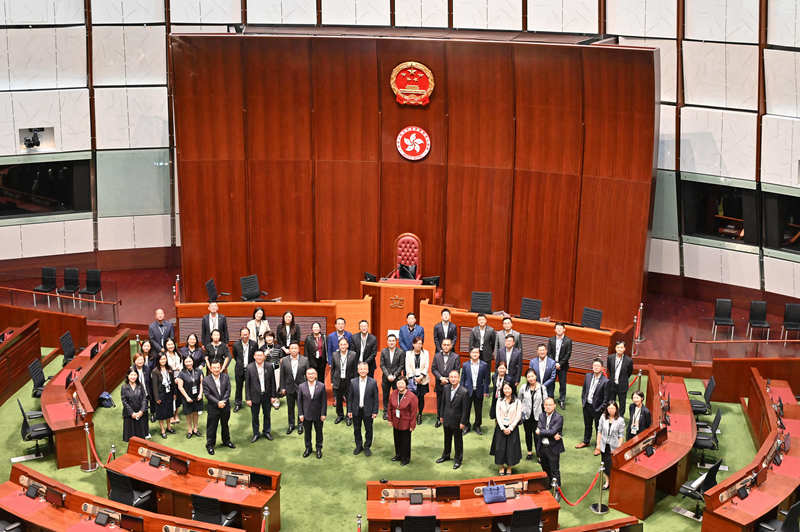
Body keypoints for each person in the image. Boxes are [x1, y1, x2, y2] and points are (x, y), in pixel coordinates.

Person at [437, 369, 469, 469]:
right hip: (446, 418)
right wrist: (441, 416)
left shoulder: (464, 391)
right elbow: (443, 403)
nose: (453, 379)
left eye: (455, 377)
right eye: (451, 377)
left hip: (457, 421)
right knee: (447, 438)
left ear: (459, 378)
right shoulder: (446, 388)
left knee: (458, 441)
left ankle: (458, 460)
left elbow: (466, 409)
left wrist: (463, 422)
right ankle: (446, 455)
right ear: (449, 378)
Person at [576, 358, 609, 453]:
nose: (596, 367)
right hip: (587, 405)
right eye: (594, 365)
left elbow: (606, 399)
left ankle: (599, 446)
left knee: (599, 428)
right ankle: (586, 441)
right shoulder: (588, 376)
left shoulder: (606, 381)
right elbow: (584, 390)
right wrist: (584, 401)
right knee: (587, 425)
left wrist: (600, 409)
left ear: (602, 368)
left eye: (598, 366)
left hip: (598, 408)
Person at [202, 359, 234, 455]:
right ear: (211, 369)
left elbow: (228, 390)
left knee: (225, 424)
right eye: (214, 368)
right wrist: (218, 402)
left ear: (220, 368)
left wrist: (223, 401)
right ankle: (210, 445)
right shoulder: (206, 380)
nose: (216, 369)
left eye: (218, 367)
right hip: (213, 407)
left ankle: (226, 441)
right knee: (212, 427)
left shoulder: (225, 377)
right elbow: (207, 394)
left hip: (225, 406)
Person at [491, 382, 523, 475]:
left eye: (508, 388)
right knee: (499, 448)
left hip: (512, 428)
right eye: (505, 389)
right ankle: (501, 467)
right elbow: (497, 415)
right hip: (501, 428)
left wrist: (511, 427)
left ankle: (509, 467)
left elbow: (518, 416)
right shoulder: (499, 400)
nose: (506, 390)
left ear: (512, 389)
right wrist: (502, 427)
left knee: (511, 449)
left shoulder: (517, 401)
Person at [347, 362, 379, 456]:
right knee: (357, 429)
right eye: (361, 369)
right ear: (358, 370)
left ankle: (367, 447)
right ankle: (358, 446)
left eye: (365, 369)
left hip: (368, 410)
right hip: (356, 410)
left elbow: (376, 398)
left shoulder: (373, 382)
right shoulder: (353, 382)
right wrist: (349, 410)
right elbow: (350, 398)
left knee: (369, 429)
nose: (363, 371)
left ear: (368, 370)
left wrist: (375, 411)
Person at [246, 350, 276, 442]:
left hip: (267, 395)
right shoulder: (249, 367)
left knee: (267, 415)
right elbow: (247, 384)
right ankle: (256, 433)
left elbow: (273, 382)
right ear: (254, 357)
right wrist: (248, 398)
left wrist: (273, 396)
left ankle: (266, 431)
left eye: (261, 355)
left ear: (264, 357)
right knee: (255, 416)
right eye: (257, 355)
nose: (259, 357)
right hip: (254, 396)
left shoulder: (269, 366)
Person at [279, 341, 308, 434]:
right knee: (290, 407)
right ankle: (291, 425)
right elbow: (282, 375)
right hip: (289, 387)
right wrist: (282, 387)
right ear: (289, 350)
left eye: (295, 348)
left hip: (301, 388)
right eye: (292, 348)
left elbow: (308, 375)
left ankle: (300, 425)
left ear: (299, 349)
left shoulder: (305, 360)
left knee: (301, 407)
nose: (294, 350)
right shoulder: (284, 360)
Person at [388, 376, 418, 465]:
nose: (400, 385)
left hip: (406, 423)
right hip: (396, 421)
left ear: (406, 384)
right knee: (397, 439)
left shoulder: (412, 396)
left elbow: (413, 412)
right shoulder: (394, 393)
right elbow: (390, 407)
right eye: (398, 383)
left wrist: (412, 425)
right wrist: (390, 419)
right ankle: (398, 455)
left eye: (402, 383)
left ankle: (405, 459)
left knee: (405, 442)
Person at [432, 338, 460, 428]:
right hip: (439, 383)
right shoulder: (436, 356)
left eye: (448, 345)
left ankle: (449, 419)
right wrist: (441, 378)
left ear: (451, 346)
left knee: (450, 402)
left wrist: (448, 379)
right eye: (444, 345)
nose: (446, 346)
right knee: (440, 401)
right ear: (441, 346)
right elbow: (434, 369)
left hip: (451, 384)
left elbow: (457, 370)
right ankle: (439, 418)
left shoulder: (456, 356)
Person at [298, 367, 326, 459]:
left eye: (312, 374)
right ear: (306, 375)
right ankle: (308, 448)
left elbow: (324, 401)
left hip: (318, 415)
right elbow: (299, 402)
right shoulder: (301, 386)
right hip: (306, 415)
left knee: (319, 432)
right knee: (307, 433)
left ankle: (318, 448)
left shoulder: (321, 386)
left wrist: (323, 413)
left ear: (316, 375)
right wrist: (300, 414)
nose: (311, 375)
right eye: (309, 374)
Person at [597, 401, 626, 489]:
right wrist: (598, 444)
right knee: (605, 464)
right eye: (609, 408)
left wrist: (618, 447)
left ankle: (614, 481)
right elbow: (599, 431)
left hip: (614, 447)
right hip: (604, 446)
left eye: (613, 408)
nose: (611, 410)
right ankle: (607, 482)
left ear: (616, 409)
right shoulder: (603, 417)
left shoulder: (620, 420)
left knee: (612, 465)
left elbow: (621, 436)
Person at [536, 397, 564, 488]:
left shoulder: (559, 417)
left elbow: (552, 431)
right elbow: (549, 431)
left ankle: (557, 490)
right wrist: (550, 433)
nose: (548, 407)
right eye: (546, 405)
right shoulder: (541, 416)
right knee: (545, 467)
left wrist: (541, 432)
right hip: (542, 447)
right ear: (544, 406)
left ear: (554, 406)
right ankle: (549, 484)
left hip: (553, 448)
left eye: (550, 405)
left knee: (554, 470)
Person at [461, 347, 489, 435]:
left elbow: (487, 379)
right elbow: (462, 379)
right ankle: (466, 426)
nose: (475, 354)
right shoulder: (465, 365)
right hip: (467, 391)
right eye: (473, 352)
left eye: (476, 352)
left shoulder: (484, 365)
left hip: (479, 390)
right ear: (470, 354)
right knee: (466, 409)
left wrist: (486, 391)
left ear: (479, 354)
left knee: (478, 410)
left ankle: (477, 425)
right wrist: (461, 390)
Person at [519, 369, 546, 461]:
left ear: (536, 376)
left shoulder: (542, 388)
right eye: (528, 377)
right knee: (528, 434)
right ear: (526, 378)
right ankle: (529, 452)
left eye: (532, 376)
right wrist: (522, 410)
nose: (531, 378)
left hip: (538, 416)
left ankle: (539, 455)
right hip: (526, 416)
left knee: (537, 436)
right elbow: (519, 399)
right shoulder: (523, 387)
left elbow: (546, 402)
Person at [332, 337, 357, 425]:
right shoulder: (334, 354)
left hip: (349, 381)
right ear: (339, 346)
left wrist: (355, 381)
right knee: (338, 399)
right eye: (341, 344)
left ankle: (349, 416)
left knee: (350, 399)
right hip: (338, 380)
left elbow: (355, 369)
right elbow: (333, 369)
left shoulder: (353, 354)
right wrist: (332, 381)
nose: (343, 346)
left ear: (347, 345)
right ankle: (340, 415)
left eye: (344, 344)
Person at [176, 355, 203, 439]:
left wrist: (200, 394)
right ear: (184, 363)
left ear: (193, 361)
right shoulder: (182, 373)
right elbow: (180, 387)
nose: (188, 363)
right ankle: (190, 430)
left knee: (196, 413)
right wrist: (187, 397)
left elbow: (201, 383)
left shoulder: (198, 371)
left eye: (190, 361)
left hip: (197, 396)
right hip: (187, 396)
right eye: (186, 362)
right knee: (188, 414)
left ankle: (195, 429)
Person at [405, 336, 429, 424]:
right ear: (413, 344)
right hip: (412, 379)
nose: (419, 345)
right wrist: (414, 378)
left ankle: (420, 414)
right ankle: (412, 414)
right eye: (417, 343)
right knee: (411, 398)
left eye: (420, 343)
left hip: (423, 379)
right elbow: (407, 367)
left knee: (421, 398)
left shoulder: (425, 353)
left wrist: (421, 377)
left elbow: (426, 366)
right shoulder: (408, 353)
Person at [380, 334, 405, 419]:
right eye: (390, 341)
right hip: (386, 378)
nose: (391, 342)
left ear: (396, 342)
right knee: (385, 395)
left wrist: (394, 375)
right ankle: (386, 412)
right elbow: (382, 365)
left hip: (396, 378)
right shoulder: (383, 351)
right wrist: (388, 375)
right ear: (387, 342)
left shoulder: (401, 352)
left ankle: (396, 411)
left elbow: (401, 365)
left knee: (397, 395)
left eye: (393, 341)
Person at [233, 327, 258, 412]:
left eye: (246, 334)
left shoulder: (254, 344)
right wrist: (241, 363)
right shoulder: (236, 344)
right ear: (240, 335)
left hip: (250, 369)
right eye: (243, 334)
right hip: (239, 369)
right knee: (238, 387)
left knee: (251, 387)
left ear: (249, 334)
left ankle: (252, 402)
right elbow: (235, 356)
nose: (245, 336)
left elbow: (255, 356)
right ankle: (238, 403)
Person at [548, 323, 572, 409]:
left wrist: (560, 364)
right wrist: (554, 363)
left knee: (562, 384)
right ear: (555, 330)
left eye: (560, 328)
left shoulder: (568, 341)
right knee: (551, 382)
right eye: (557, 328)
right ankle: (550, 398)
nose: (559, 330)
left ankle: (562, 400)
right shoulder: (551, 340)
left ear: (564, 329)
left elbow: (568, 354)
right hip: (552, 365)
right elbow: (549, 353)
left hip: (563, 366)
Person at [151, 353, 175, 439]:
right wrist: (157, 398)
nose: (163, 361)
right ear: (158, 360)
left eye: (164, 359)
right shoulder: (155, 371)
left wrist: (174, 393)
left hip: (169, 393)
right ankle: (162, 430)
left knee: (169, 411)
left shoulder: (169, 368)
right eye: (161, 359)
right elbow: (154, 386)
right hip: (160, 394)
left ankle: (169, 427)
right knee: (161, 413)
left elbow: (172, 382)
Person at [607, 341, 634, 417]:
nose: (619, 349)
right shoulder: (610, 358)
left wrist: (623, 379)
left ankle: (620, 416)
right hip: (612, 384)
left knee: (622, 402)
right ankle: (611, 415)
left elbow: (629, 372)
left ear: (624, 349)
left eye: (621, 347)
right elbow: (609, 369)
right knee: (611, 401)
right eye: (618, 347)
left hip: (622, 385)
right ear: (615, 348)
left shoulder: (629, 360)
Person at [121, 369, 149, 442]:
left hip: (140, 413)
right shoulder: (124, 387)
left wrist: (141, 411)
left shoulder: (140, 385)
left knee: (140, 437)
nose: (133, 377)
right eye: (131, 375)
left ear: (137, 376)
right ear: (128, 376)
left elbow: (144, 399)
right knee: (130, 438)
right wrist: (132, 413)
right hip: (129, 414)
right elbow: (124, 401)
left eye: (135, 375)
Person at [132, 353, 153, 432]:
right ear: (134, 361)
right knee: (137, 414)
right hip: (135, 396)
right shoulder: (132, 370)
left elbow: (149, 382)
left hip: (145, 395)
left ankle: (146, 432)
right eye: (138, 360)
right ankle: (137, 432)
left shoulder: (147, 369)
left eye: (142, 359)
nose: (140, 361)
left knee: (145, 414)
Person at [164, 339, 182, 425]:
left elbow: (181, 366)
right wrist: (173, 369)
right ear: (166, 346)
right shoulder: (164, 355)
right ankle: (171, 416)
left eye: (172, 344)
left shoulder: (178, 354)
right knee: (170, 397)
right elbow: (164, 367)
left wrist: (178, 376)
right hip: (169, 379)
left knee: (178, 397)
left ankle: (176, 414)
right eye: (168, 344)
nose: (171, 346)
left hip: (178, 378)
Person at [263, 331, 282, 403]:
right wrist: (265, 355)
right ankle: (268, 398)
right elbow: (260, 360)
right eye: (267, 337)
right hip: (266, 369)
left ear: (273, 338)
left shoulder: (278, 347)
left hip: (276, 368)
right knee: (267, 384)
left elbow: (281, 359)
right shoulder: (262, 348)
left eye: (271, 337)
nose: (269, 338)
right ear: (265, 339)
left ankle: (276, 398)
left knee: (276, 384)